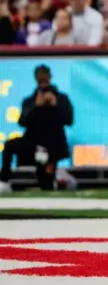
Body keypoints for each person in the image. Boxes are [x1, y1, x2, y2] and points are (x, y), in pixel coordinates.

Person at [0, 65, 73, 193]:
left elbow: (69, 120)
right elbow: (22, 122)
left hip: (53, 145)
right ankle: (4, 180)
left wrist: (55, 105)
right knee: (10, 145)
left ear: (50, 77)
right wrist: (35, 106)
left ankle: (58, 179)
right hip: (32, 143)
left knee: (46, 182)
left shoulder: (61, 99)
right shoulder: (30, 100)